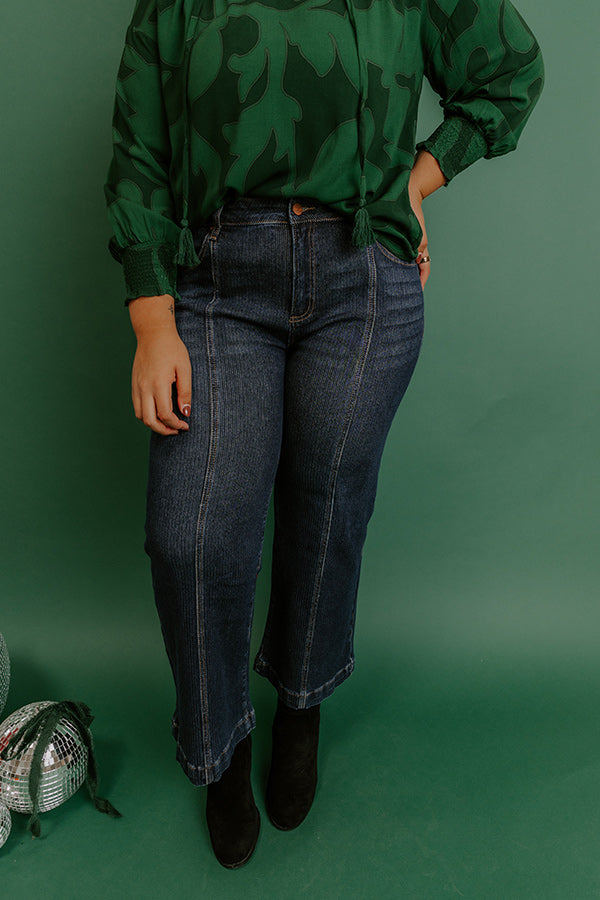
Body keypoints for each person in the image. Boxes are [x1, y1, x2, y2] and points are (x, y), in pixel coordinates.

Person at [104, 0, 544, 869]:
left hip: (362, 274)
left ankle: (301, 704)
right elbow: (139, 149)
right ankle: (221, 745)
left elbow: (509, 71)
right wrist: (152, 318)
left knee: (329, 508)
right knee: (192, 536)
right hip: (217, 281)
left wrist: (414, 182)